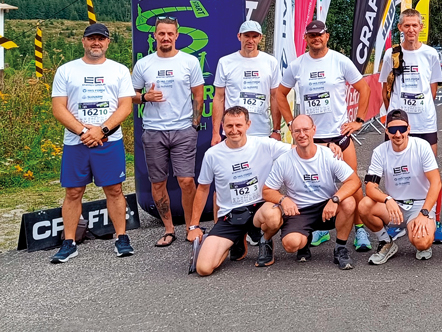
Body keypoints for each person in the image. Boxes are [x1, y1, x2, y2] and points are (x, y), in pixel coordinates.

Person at [276, 20, 372, 251]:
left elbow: (364, 88)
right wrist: (291, 123)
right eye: (311, 35)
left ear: (326, 36)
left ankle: (360, 230)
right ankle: (320, 227)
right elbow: (280, 93)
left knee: (353, 185)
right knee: (315, 184)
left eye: (319, 34)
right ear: (306, 39)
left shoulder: (339, 60)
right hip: (310, 138)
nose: (315, 38)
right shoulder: (297, 65)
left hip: (338, 134)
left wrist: (358, 121)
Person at [50, 23, 136, 263]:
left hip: (109, 140)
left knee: (115, 189)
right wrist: (83, 131)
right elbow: (58, 108)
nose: (96, 43)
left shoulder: (118, 70)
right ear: (83, 41)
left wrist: (102, 130)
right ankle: (69, 242)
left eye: (101, 39)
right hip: (77, 141)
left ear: (108, 43)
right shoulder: (66, 70)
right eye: (91, 39)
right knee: (74, 191)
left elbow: (125, 106)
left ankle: (121, 237)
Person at [186, 106, 291, 275]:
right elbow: (203, 189)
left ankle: (265, 240)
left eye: (239, 125)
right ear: (222, 126)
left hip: (258, 210)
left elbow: (298, 149)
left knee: (272, 217)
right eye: (229, 126)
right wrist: (194, 226)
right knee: (203, 269)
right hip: (230, 216)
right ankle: (235, 240)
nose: (234, 130)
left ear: (248, 125)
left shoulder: (264, 144)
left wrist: (328, 145)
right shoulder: (212, 154)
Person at [131, 16, 204, 247]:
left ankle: (192, 226)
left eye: (170, 33)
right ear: (154, 36)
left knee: (186, 181)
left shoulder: (189, 62)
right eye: (161, 33)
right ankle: (169, 229)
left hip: (183, 130)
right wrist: (144, 97)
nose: (165, 37)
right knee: (158, 183)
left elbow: (199, 94)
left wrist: (194, 123)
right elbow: (130, 96)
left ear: (176, 35)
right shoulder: (144, 64)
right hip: (153, 131)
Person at [257, 115, 362, 270]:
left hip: (327, 206)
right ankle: (304, 239)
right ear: (292, 134)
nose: (302, 134)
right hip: (300, 211)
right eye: (297, 131)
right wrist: (283, 199)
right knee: (291, 244)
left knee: (348, 201)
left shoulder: (329, 155)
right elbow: (267, 191)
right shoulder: (284, 160)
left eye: (306, 129)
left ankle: (340, 248)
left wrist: (335, 199)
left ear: (314, 130)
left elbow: (354, 181)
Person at [379, 8, 442, 242]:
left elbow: (433, 89)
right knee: (394, 171)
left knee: (430, 174)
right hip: (398, 123)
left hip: (425, 122)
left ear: (420, 28)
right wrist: (394, 113)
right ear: (400, 28)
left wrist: (421, 107)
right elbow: (385, 89)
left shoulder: (430, 54)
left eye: (414, 25)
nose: (410, 30)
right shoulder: (392, 54)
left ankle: (433, 220)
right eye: (406, 25)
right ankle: (397, 221)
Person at [358, 109, 442, 264]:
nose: (397, 134)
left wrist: (424, 213)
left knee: (422, 242)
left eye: (402, 129)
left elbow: (436, 182)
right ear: (387, 131)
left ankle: (423, 232)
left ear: (409, 129)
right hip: (394, 205)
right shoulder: (379, 152)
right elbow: (370, 187)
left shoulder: (422, 146)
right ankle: (386, 242)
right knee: (364, 206)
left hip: (419, 205)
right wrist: (387, 199)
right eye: (392, 130)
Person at [211, 21, 281, 143]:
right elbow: (219, 97)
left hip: (261, 131)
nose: (250, 40)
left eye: (254, 36)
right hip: (234, 131)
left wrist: (276, 130)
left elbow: (275, 97)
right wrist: (215, 133)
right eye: (247, 36)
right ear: (239, 36)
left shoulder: (271, 62)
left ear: (260, 38)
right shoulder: (225, 62)